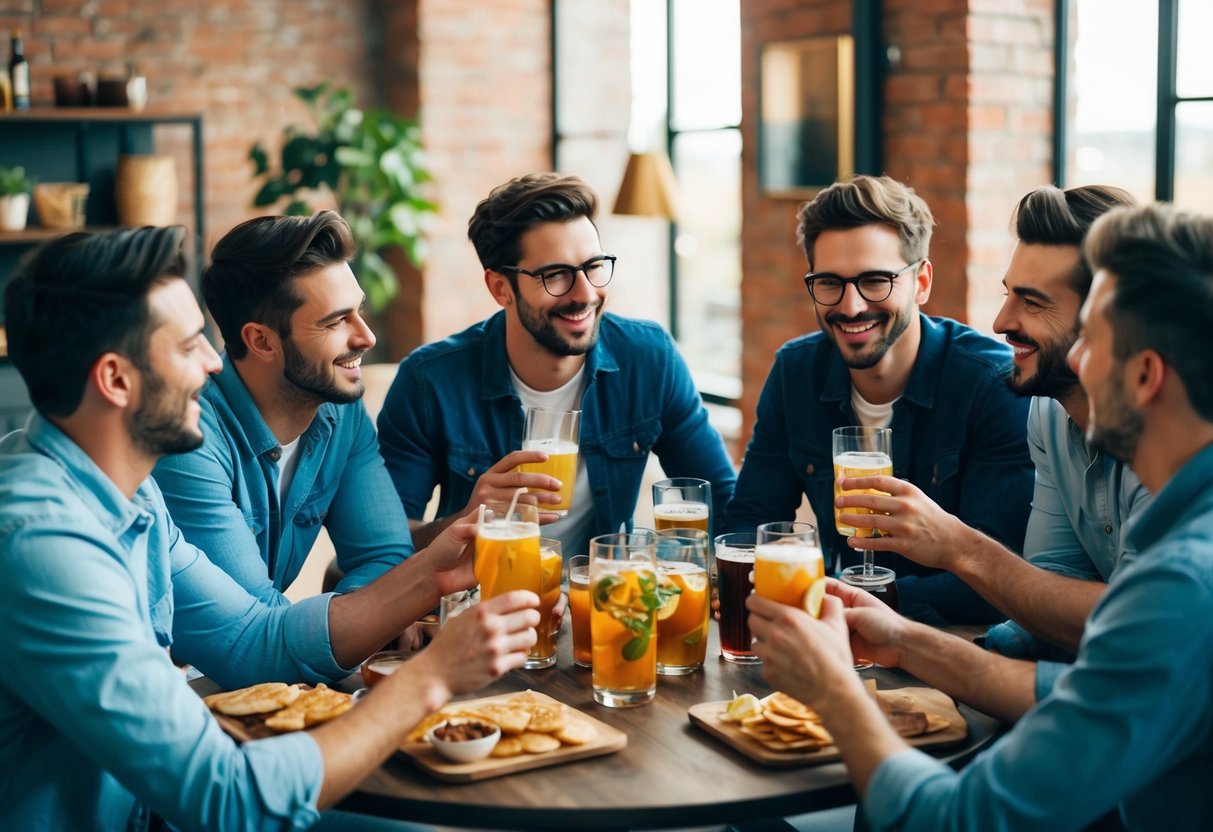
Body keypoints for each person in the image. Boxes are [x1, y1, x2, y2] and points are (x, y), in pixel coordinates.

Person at [0, 226, 539, 830]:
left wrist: (433, 573)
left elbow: (256, 643)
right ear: (116, 380)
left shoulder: (131, 497)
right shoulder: (43, 545)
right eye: (186, 347)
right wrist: (430, 679)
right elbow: (227, 800)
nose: (212, 363)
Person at [748, 202, 1213, 829]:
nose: (1076, 362)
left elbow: (955, 821)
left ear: (1146, 374)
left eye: (1094, 341)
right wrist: (904, 640)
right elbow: (1074, 680)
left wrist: (833, 688)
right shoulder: (1175, 544)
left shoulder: (1182, 583)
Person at [834, 184, 1150, 659]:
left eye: (1034, 301)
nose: (1001, 321)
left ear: (1106, 318)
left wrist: (956, 545)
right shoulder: (1046, 411)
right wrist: (899, 640)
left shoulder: (1174, 439)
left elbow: (1140, 630)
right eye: (1008, 294)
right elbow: (1044, 596)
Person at [723, 174, 1033, 624]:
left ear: (921, 282)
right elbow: (749, 523)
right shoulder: (795, 372)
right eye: (830, 283)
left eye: (875, 281)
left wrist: (838, 599)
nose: (850, 307)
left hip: (958, 647)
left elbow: (1000, 575)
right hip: (836, 633)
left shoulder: (990, 384)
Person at [376, 173, 737, 556]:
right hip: (483, 602)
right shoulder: (429, 381)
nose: (586, 294)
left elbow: (724, 501)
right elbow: (383, 546)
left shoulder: (649, 358)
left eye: (594, 266)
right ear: (501, 288)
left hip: (601, 598)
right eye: (556, 275)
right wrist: (467, 521)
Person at [154, 211, 415, 602]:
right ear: (261, 341)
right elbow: (255, 622)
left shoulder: (339, 406)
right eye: (335, 322)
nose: (367, 337)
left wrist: (360, 606)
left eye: (358, 311)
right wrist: (370, 616)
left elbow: (386, 556)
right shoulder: (189, 435)